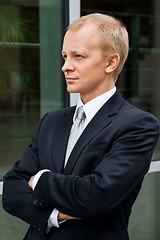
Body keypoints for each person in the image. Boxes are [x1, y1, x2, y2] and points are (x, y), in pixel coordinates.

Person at [2, 13, 160, 240]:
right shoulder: (51, 122)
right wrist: (55, 215)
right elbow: (11, 190)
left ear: (110, 62)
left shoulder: (138, 125)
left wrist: (40, 180)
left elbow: (96, 196)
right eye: (65, 56)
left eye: (78, 56)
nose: (66, 66)